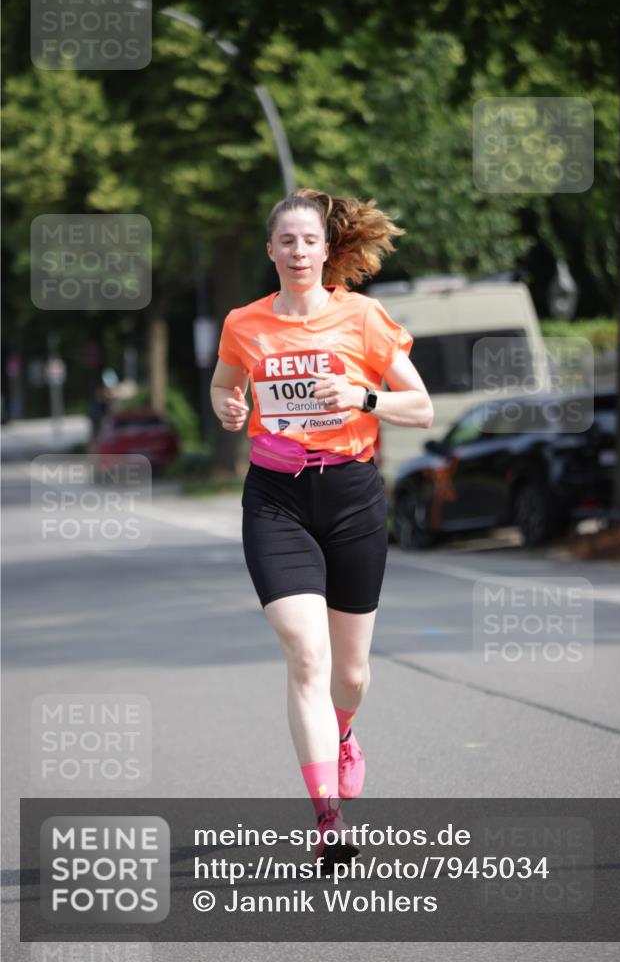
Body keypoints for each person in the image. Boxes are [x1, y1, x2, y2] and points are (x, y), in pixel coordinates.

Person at [210, 188, 433, 870]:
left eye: (310, 241)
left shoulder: (362, 318)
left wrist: (363, 396)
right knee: (306, 654)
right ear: (271, 250)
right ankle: (327, 819)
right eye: (287, 241)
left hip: (351, 497)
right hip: (275, 498)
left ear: (325, 249)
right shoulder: (244, 324)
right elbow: (224, 385)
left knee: (352, 674)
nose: (298, 251)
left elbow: (419, 407)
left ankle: (344, 734)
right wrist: (227, 404)